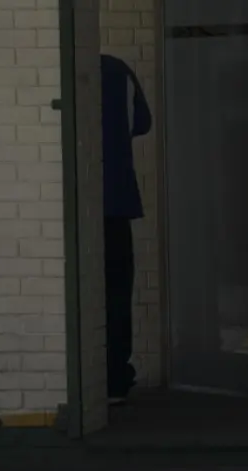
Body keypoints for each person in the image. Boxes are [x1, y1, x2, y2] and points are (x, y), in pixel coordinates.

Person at [100, 53, 152, 404]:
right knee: (116, 292)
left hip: (67, 204)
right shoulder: (117, 70)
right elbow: (142, 122)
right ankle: (115, 376)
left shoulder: (52, 69)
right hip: (115, 199)